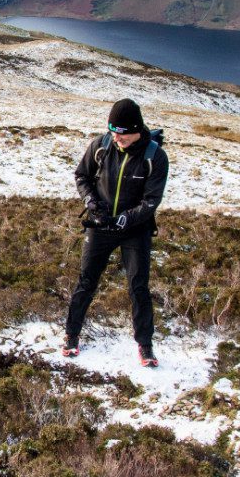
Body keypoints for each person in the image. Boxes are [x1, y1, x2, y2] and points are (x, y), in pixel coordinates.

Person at [64, 99, 169, 367]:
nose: (117, 138)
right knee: (86, 280)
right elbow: (82, 176)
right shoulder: (101, 146)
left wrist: (126, 219)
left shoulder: (155, 157)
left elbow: (151, 201)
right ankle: (71, 335)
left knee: (138, 286)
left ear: (136, 129)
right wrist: (91, 203)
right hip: (100, 225)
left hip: (136, 229)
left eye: (122, 133)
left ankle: (145, 346)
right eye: (113, 132)